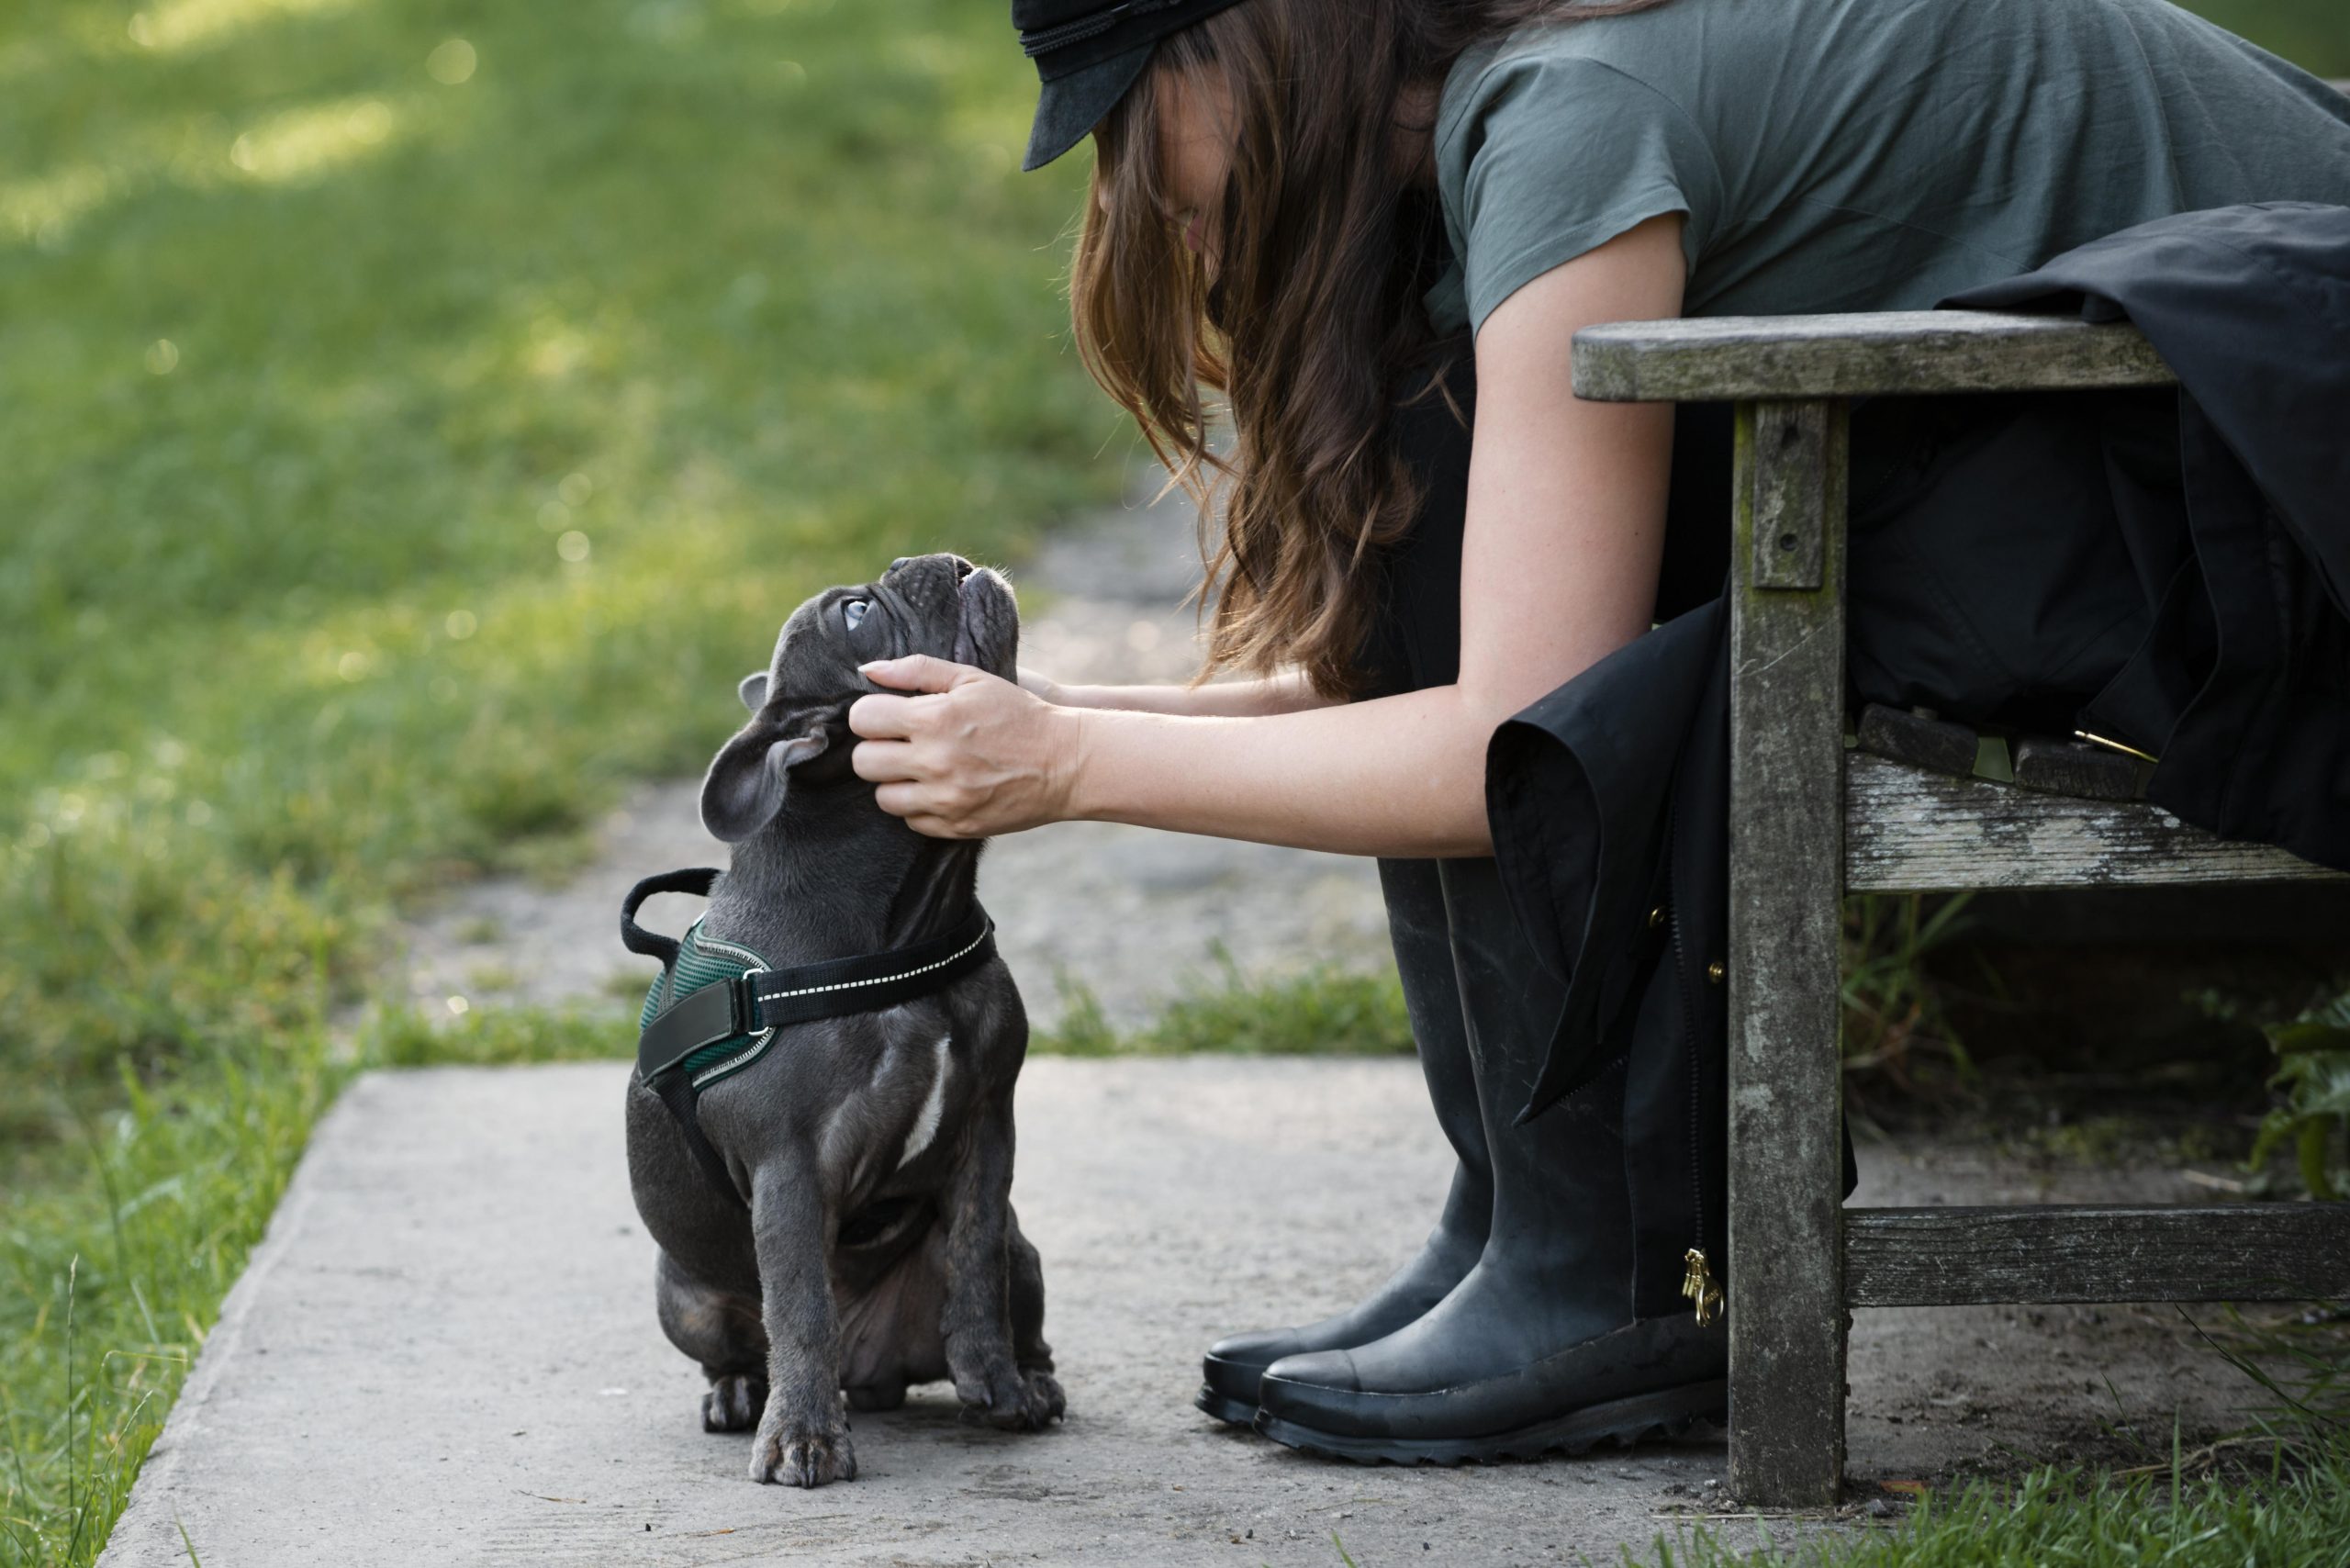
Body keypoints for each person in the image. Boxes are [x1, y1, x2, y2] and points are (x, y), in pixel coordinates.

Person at [843, 0, 2350, 1464]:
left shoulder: (1567, 113)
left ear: (1248, 45)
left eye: (1124, 120)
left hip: (2275, 493)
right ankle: (1526, 1210)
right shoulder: (1525, 89)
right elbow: (1440, 682)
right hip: (2188, 435)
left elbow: (1505, 735)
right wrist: (1050, 720)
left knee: (1459, 457)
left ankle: (1619, 1258)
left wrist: (1064, 766)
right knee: (1456, 449)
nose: (1132, 191)